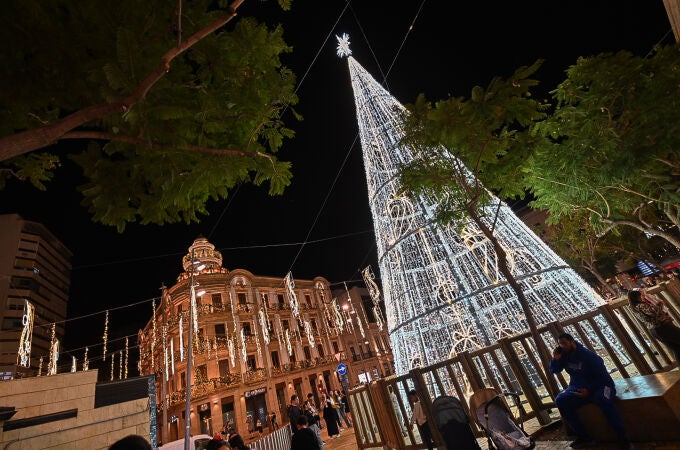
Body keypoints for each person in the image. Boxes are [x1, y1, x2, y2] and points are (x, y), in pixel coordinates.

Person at [549, 333, 632, 450]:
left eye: (565, 344)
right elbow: (554, 370)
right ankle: (585, 437)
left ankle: (624, 438)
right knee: (561, 400)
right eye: (560, 345)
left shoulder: (589, 356)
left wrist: (589, 390)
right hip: (578, 387)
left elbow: (603, 377)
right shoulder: (564, 355)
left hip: (602, 386)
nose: (563, 347)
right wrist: (555, 359)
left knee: (603, 400)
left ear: (572, 342)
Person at [628, 289, 680, 364]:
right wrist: (659, 304)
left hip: (655, 330)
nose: (643, 295)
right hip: (662, 327)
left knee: (676, 349)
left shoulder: (634, 307)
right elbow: (654, 312)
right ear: (637, 296)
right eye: (641, 294)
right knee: (677, 348)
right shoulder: (641, 305)